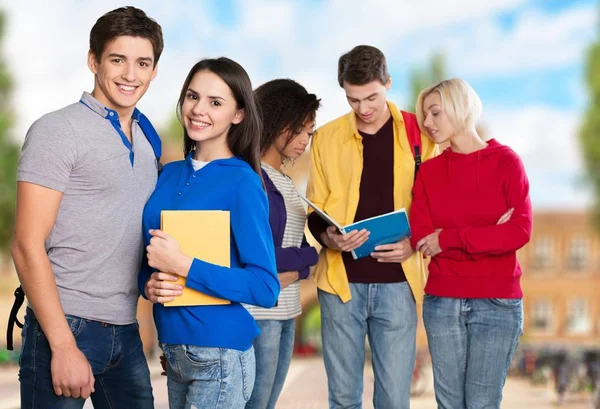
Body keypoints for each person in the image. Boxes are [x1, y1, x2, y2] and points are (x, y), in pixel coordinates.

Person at [10, 7, 163, 408]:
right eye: (118, 60)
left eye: (142, 63)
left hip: (126, 330)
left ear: (154, 71)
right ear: (94, 61)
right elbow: (26, 245)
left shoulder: (149, 140)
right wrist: (62, 346)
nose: (130, 74)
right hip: (64, 325)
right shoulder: (58, 131)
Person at [139, 57, 280, 409]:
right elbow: (149, 256)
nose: (198, 109)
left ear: (239, 114)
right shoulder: (167, 175)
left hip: (220, 353)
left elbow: (265, 287)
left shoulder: (243, 181)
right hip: (174, 351)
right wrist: (148, 284)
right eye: (192, 96)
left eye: (215, 102)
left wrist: (185, 265)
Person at [306, 45, 438, 409]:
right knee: (344, 399)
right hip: (339, 285)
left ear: (388, 83)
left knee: (394, 400)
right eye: (353, 99)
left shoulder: (420, 135)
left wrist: (413, 242)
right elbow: (315, 210)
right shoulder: (327, 138)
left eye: (372, 98)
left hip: (399, 285)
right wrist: (329, 237)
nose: (363, 109)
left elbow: (438, 205)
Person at [410, 78, 532, 409]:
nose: (428, 123)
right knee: (449, 404)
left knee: (482, 403)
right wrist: (488, 234)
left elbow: (518, 231)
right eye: (425, 116)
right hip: (442, 301)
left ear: (461, 108)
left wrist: (449, 238)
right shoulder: (429, 172)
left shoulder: (507, 163)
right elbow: (422, 237)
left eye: (435, 113)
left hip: (497, 303)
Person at [245, 79, 321, 409]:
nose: (306, 140)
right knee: (256, 403)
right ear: (275, 121)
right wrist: (308, 258)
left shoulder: (286, 182)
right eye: (299, 130)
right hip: (259, 312)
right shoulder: (251, 177)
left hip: (287, 310)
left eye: (310, 132)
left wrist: (308, 256)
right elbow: (258, 256)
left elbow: (299, 248)